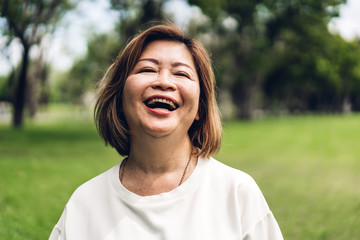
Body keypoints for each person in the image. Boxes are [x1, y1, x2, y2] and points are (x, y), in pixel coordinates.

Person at [49, 23, 283, 240]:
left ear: (200, 108)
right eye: (148, 69)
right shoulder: (85, 203)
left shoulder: (237, 193)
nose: (163, 81)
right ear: (119, 98)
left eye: (181, 73)